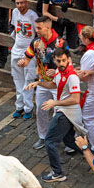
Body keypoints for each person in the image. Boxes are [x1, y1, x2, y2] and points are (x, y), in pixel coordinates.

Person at [25, 48, 85, 182]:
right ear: (54, 61)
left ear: (69, 59)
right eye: (58, 61)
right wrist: (39, 83)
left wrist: (54, 103)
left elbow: (76, 99)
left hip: (66, 113)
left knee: (50, 141)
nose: (61, 63)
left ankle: (57, 173)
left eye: (64, 60)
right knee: (70, 141)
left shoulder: (72, 77)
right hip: (66, 112)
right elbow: (54, 84)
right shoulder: (59, 71)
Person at [20, 15, 68, 150]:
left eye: (39, 28)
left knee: (62, 111)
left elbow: (68, 65)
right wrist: (22, 62)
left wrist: (57, 71)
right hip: (42, 82)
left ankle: (68, 139)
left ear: (48, 27)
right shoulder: (36, 42)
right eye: (36, 28)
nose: (36, 30)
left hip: (58, 83)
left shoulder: (61, 43)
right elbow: (27, 58)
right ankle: (43, 137)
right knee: (40, 109)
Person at [9, 0, 38, 120]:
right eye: (18, 3)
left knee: (29, 80)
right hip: (16, 49)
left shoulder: (33, 16)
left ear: (26, 2)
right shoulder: (15, 12)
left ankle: (28, 108)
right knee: (17, 79)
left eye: (22, 2)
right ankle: (19, 106)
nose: (20, 5)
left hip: (28, 52)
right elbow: (15, 29)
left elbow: (37, 35)